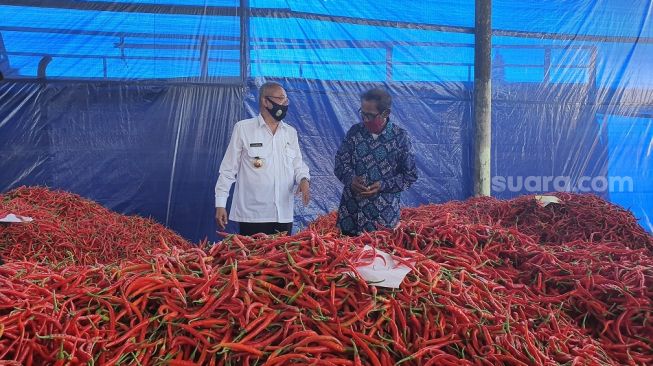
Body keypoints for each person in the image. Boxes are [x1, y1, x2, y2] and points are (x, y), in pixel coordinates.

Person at [214, 82, 310, 236]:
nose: (285, 104)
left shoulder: (290, 132)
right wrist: (220, 203)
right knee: (254, 259)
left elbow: (298, 164)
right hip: (253, 215)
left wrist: (304, 179)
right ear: (265, 101)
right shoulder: (243, 129)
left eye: (286, 100)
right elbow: (228, 170)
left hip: (283, 214)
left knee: (282, 258)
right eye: (280, 99)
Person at [334, 88, 417, 236]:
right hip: (351, 215)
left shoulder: (400, 138)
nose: (365, 119)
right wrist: (351, 179)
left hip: (382, 219)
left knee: (380, 257)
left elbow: (410, 175)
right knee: (346, 256)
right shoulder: (355, 132)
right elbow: (340, 163)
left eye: (370, 116)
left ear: (385, 113)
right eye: (362, 113)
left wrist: (383, 185)